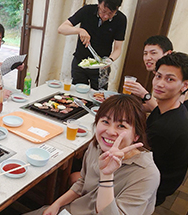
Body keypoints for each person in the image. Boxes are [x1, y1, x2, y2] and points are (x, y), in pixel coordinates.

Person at [25, 94, 160, 215]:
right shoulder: (96, 146)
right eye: (105, 122)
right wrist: (57, 204)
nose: (110, 131)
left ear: (136, 135)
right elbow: (82, 181)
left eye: (121, 126)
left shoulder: (147, 174)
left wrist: (106, 175)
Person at [146, 52, 188, 206]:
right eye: (158, 76)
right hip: (157, 175)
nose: (159, 84)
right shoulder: (173, 108)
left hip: (153, 189)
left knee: (77, 176)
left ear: (184, 85)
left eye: (169, 79)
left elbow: (136, 159)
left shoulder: (167, 128)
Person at [58, 0, 127, 90]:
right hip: (81, 63)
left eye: (111, 13)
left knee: (100, 95)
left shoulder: (121, 19)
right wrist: (79, 30)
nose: (106, 16)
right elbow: (61, 29)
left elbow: (118, 49)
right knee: (78, 94)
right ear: (99, 4)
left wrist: (110, 60)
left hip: (102, 67)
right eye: (103, 11)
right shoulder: (87, 10)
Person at [124, 35, 173, 112]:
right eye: (145, 53)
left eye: (153, 53)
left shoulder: (174, 79)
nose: (147, 58)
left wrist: (144, 95)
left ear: (168, 54)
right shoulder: (156, 75)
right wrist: (125, 106)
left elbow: (164, 113)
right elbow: (156, 106)